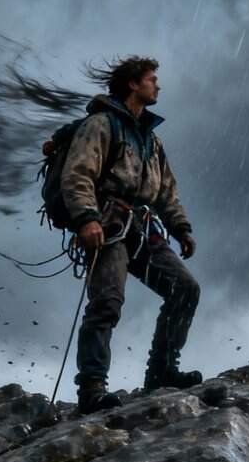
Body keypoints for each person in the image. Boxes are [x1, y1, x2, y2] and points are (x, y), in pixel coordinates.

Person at [59, 56, 202, 414]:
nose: (158, 85)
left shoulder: (151, 141)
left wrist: (180, 228)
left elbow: (166, 191)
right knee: (107, 302)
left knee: (185, 288)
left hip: (141, 229)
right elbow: (77, 174)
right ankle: (92, 388)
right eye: (152, 79)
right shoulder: (101, 124)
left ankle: (162, 372)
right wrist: (86, 219)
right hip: (106, 225)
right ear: (134, 84)